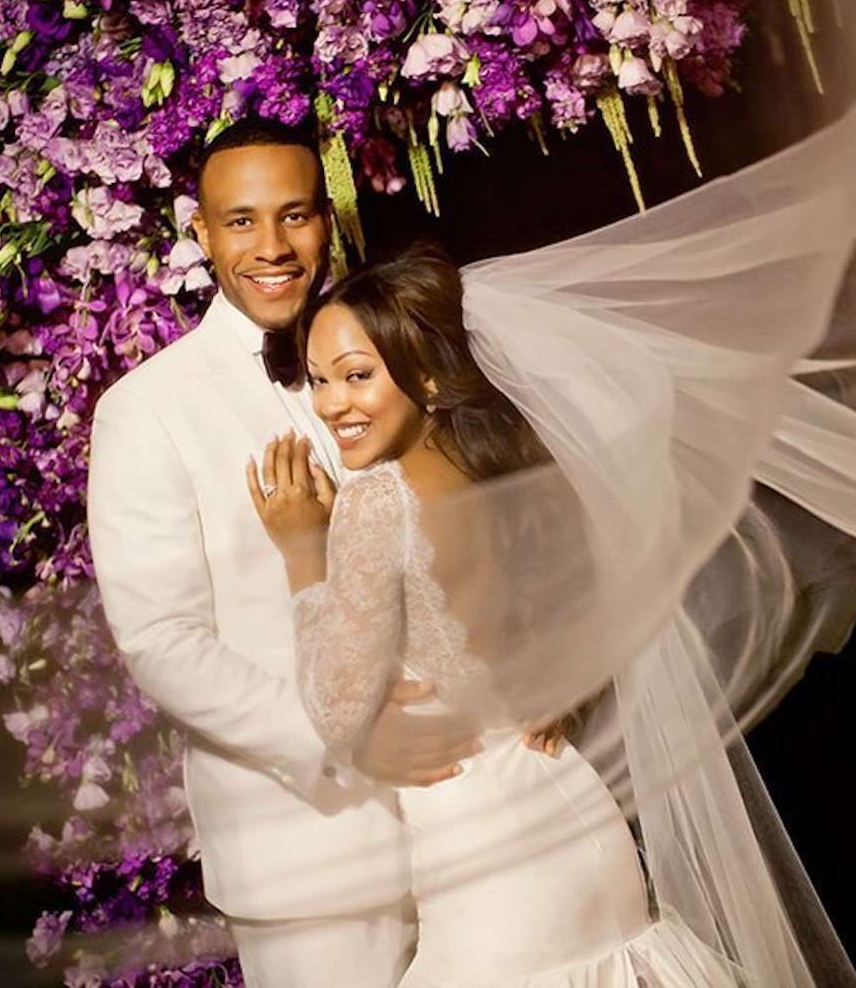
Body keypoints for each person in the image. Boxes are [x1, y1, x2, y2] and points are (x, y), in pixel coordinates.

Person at [248, 242, 746, 987]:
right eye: (318, 381)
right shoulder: (502, 462)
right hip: (575, 816)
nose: (330, 406)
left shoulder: (377, 503)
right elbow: (598, 594)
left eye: (357, 377)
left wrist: (300, 552)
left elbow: (338, 706)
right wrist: (570, 687)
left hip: (496, 871)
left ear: (423, 374)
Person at [87, 119, 482, 988]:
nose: (273, 246)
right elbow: (163, 643)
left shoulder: (394, 356)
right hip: (310, 843)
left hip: (472, 816)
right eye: (241, 221)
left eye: (296, 215)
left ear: (328, 222)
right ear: (201, 233)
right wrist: (347, 737)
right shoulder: (146, 410)